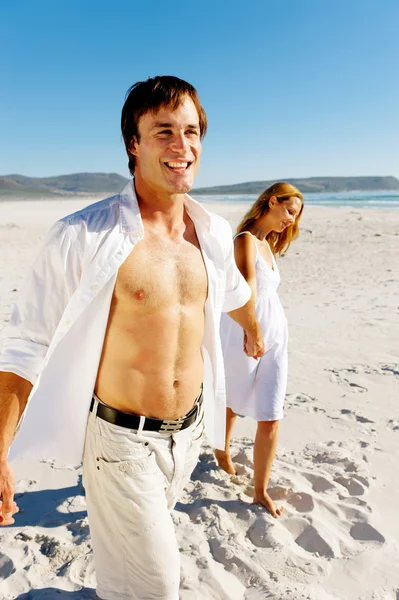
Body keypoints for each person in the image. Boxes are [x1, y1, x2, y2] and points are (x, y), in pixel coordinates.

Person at [0, 76, 264, 599]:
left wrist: (255, 332)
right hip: (119, 441)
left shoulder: (209, 232)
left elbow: (236, 294)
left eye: (191, 132)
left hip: (187, 435)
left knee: (130, 577)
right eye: (163, 131)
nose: (181, 146)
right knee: (159, 586)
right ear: (133, 144)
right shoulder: (83, 235)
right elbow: (27, 343)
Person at [215, 182, 303, 518]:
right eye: (289, 211)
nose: (290, 221)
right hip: (246, 333)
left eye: (295, 216)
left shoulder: (268, 245)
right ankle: (221, 450)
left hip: (277, 336)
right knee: (232, 401)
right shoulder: (245, 242)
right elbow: (247, 288)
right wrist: (252, 331)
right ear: (271, 202)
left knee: (272, 414)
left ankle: (261, 491)